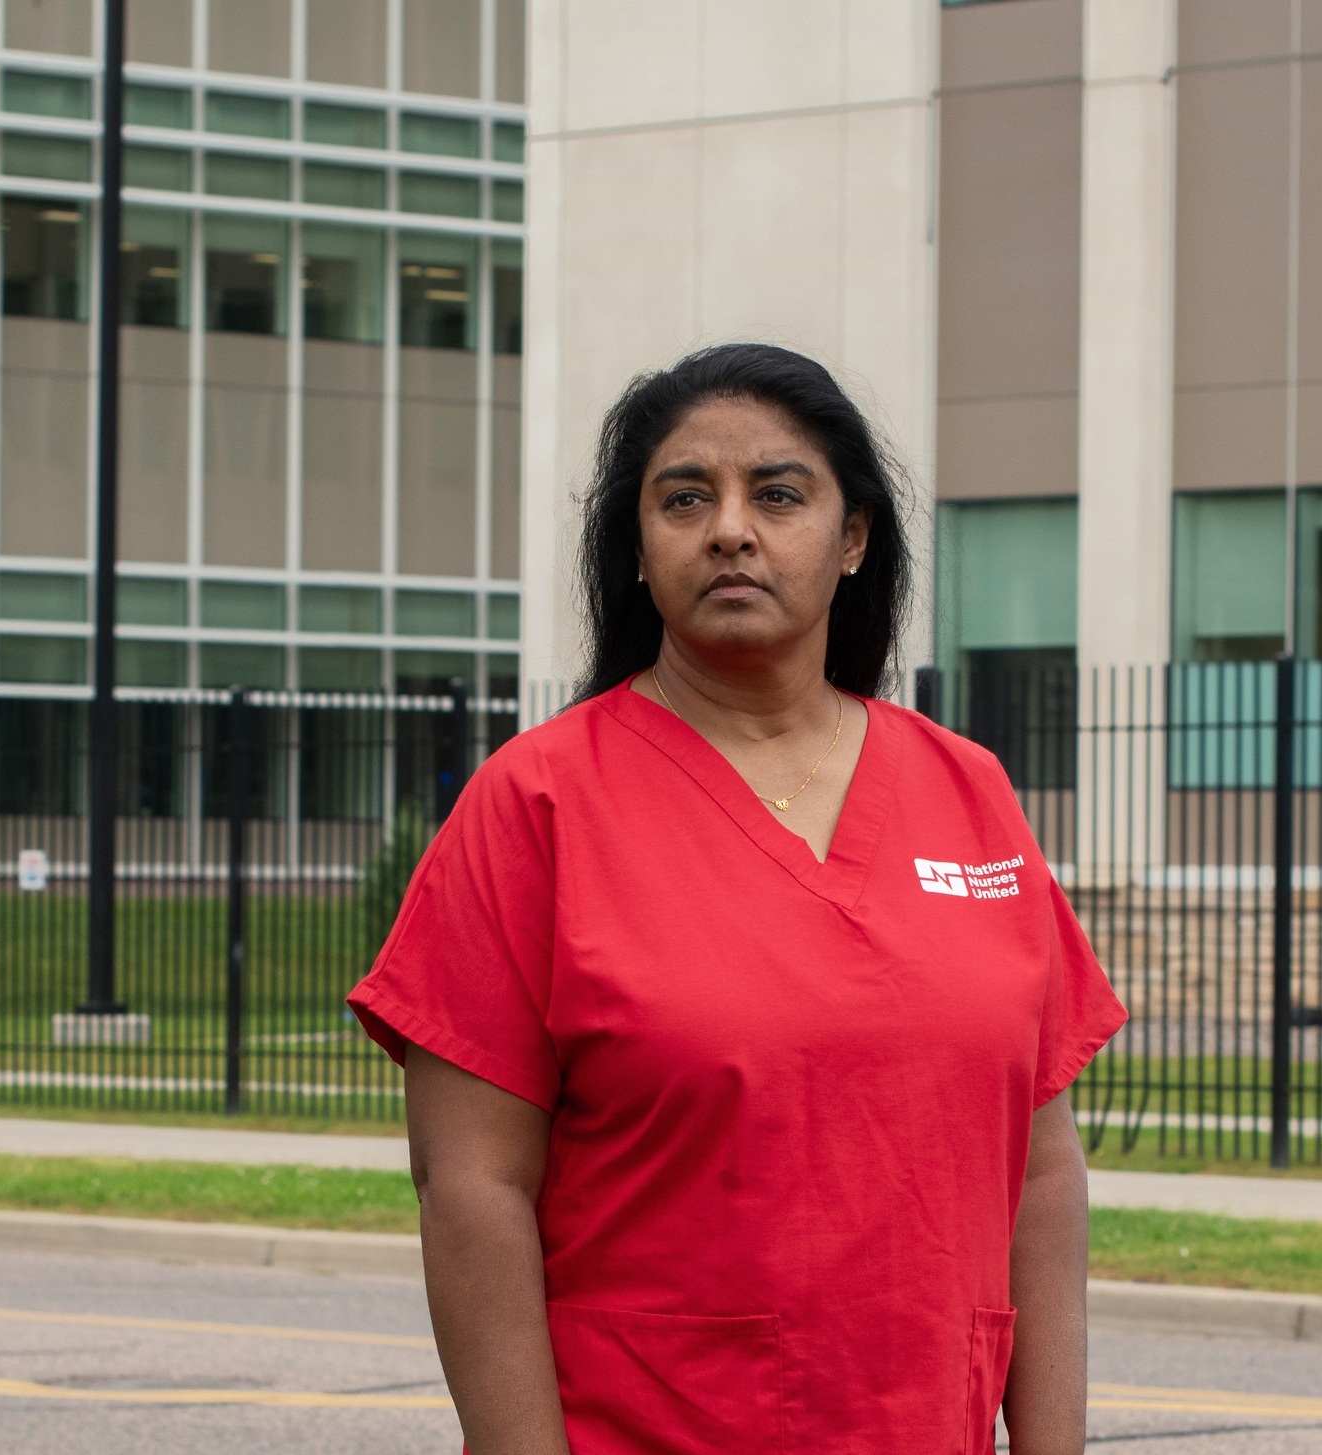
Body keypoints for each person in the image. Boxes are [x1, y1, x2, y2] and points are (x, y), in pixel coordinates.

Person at [348, 343, 1127, 1454]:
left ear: (853, 537)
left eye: (778, 493)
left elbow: (1041, 1171)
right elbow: (472, 1189)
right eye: (683, 498)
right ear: (637, 546)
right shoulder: (537, 805)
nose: (729, 529)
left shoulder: (970, 793)